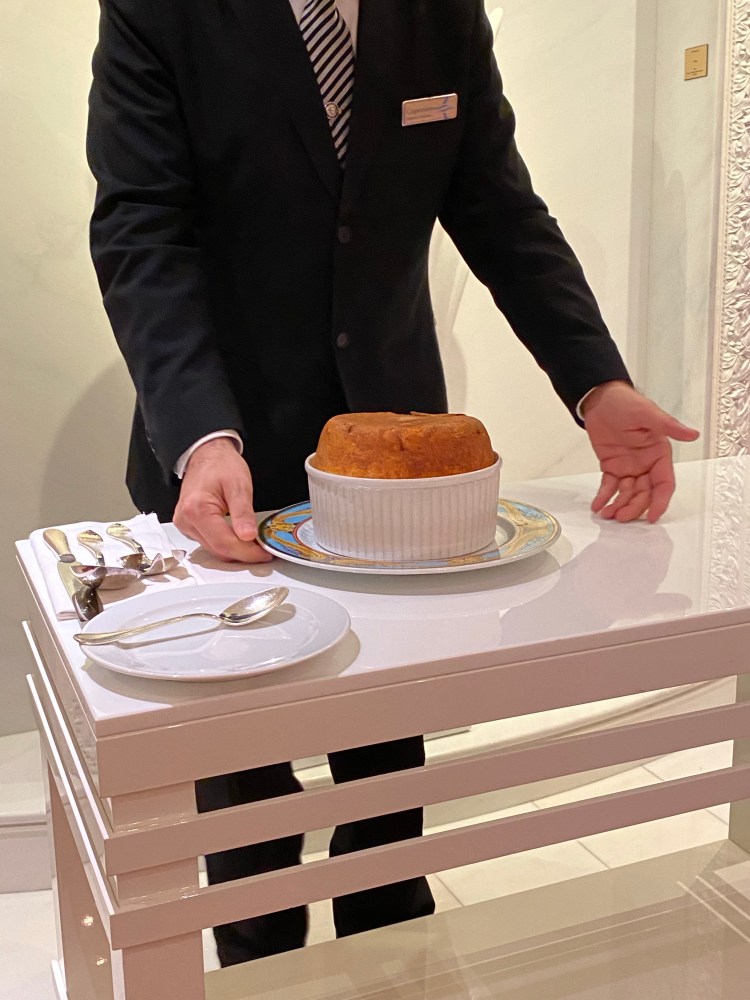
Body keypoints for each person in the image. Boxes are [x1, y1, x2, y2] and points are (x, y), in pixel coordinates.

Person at [86, 0, 699, 967]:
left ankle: (393, 959)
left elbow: (499, 210)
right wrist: (201, 434)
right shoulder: (159, 11)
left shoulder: (441, 10)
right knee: (243, 781)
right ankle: (262, 965)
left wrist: (595, 381)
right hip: (222, 457)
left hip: (402, 473)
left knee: (388, 759)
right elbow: (141, 232)